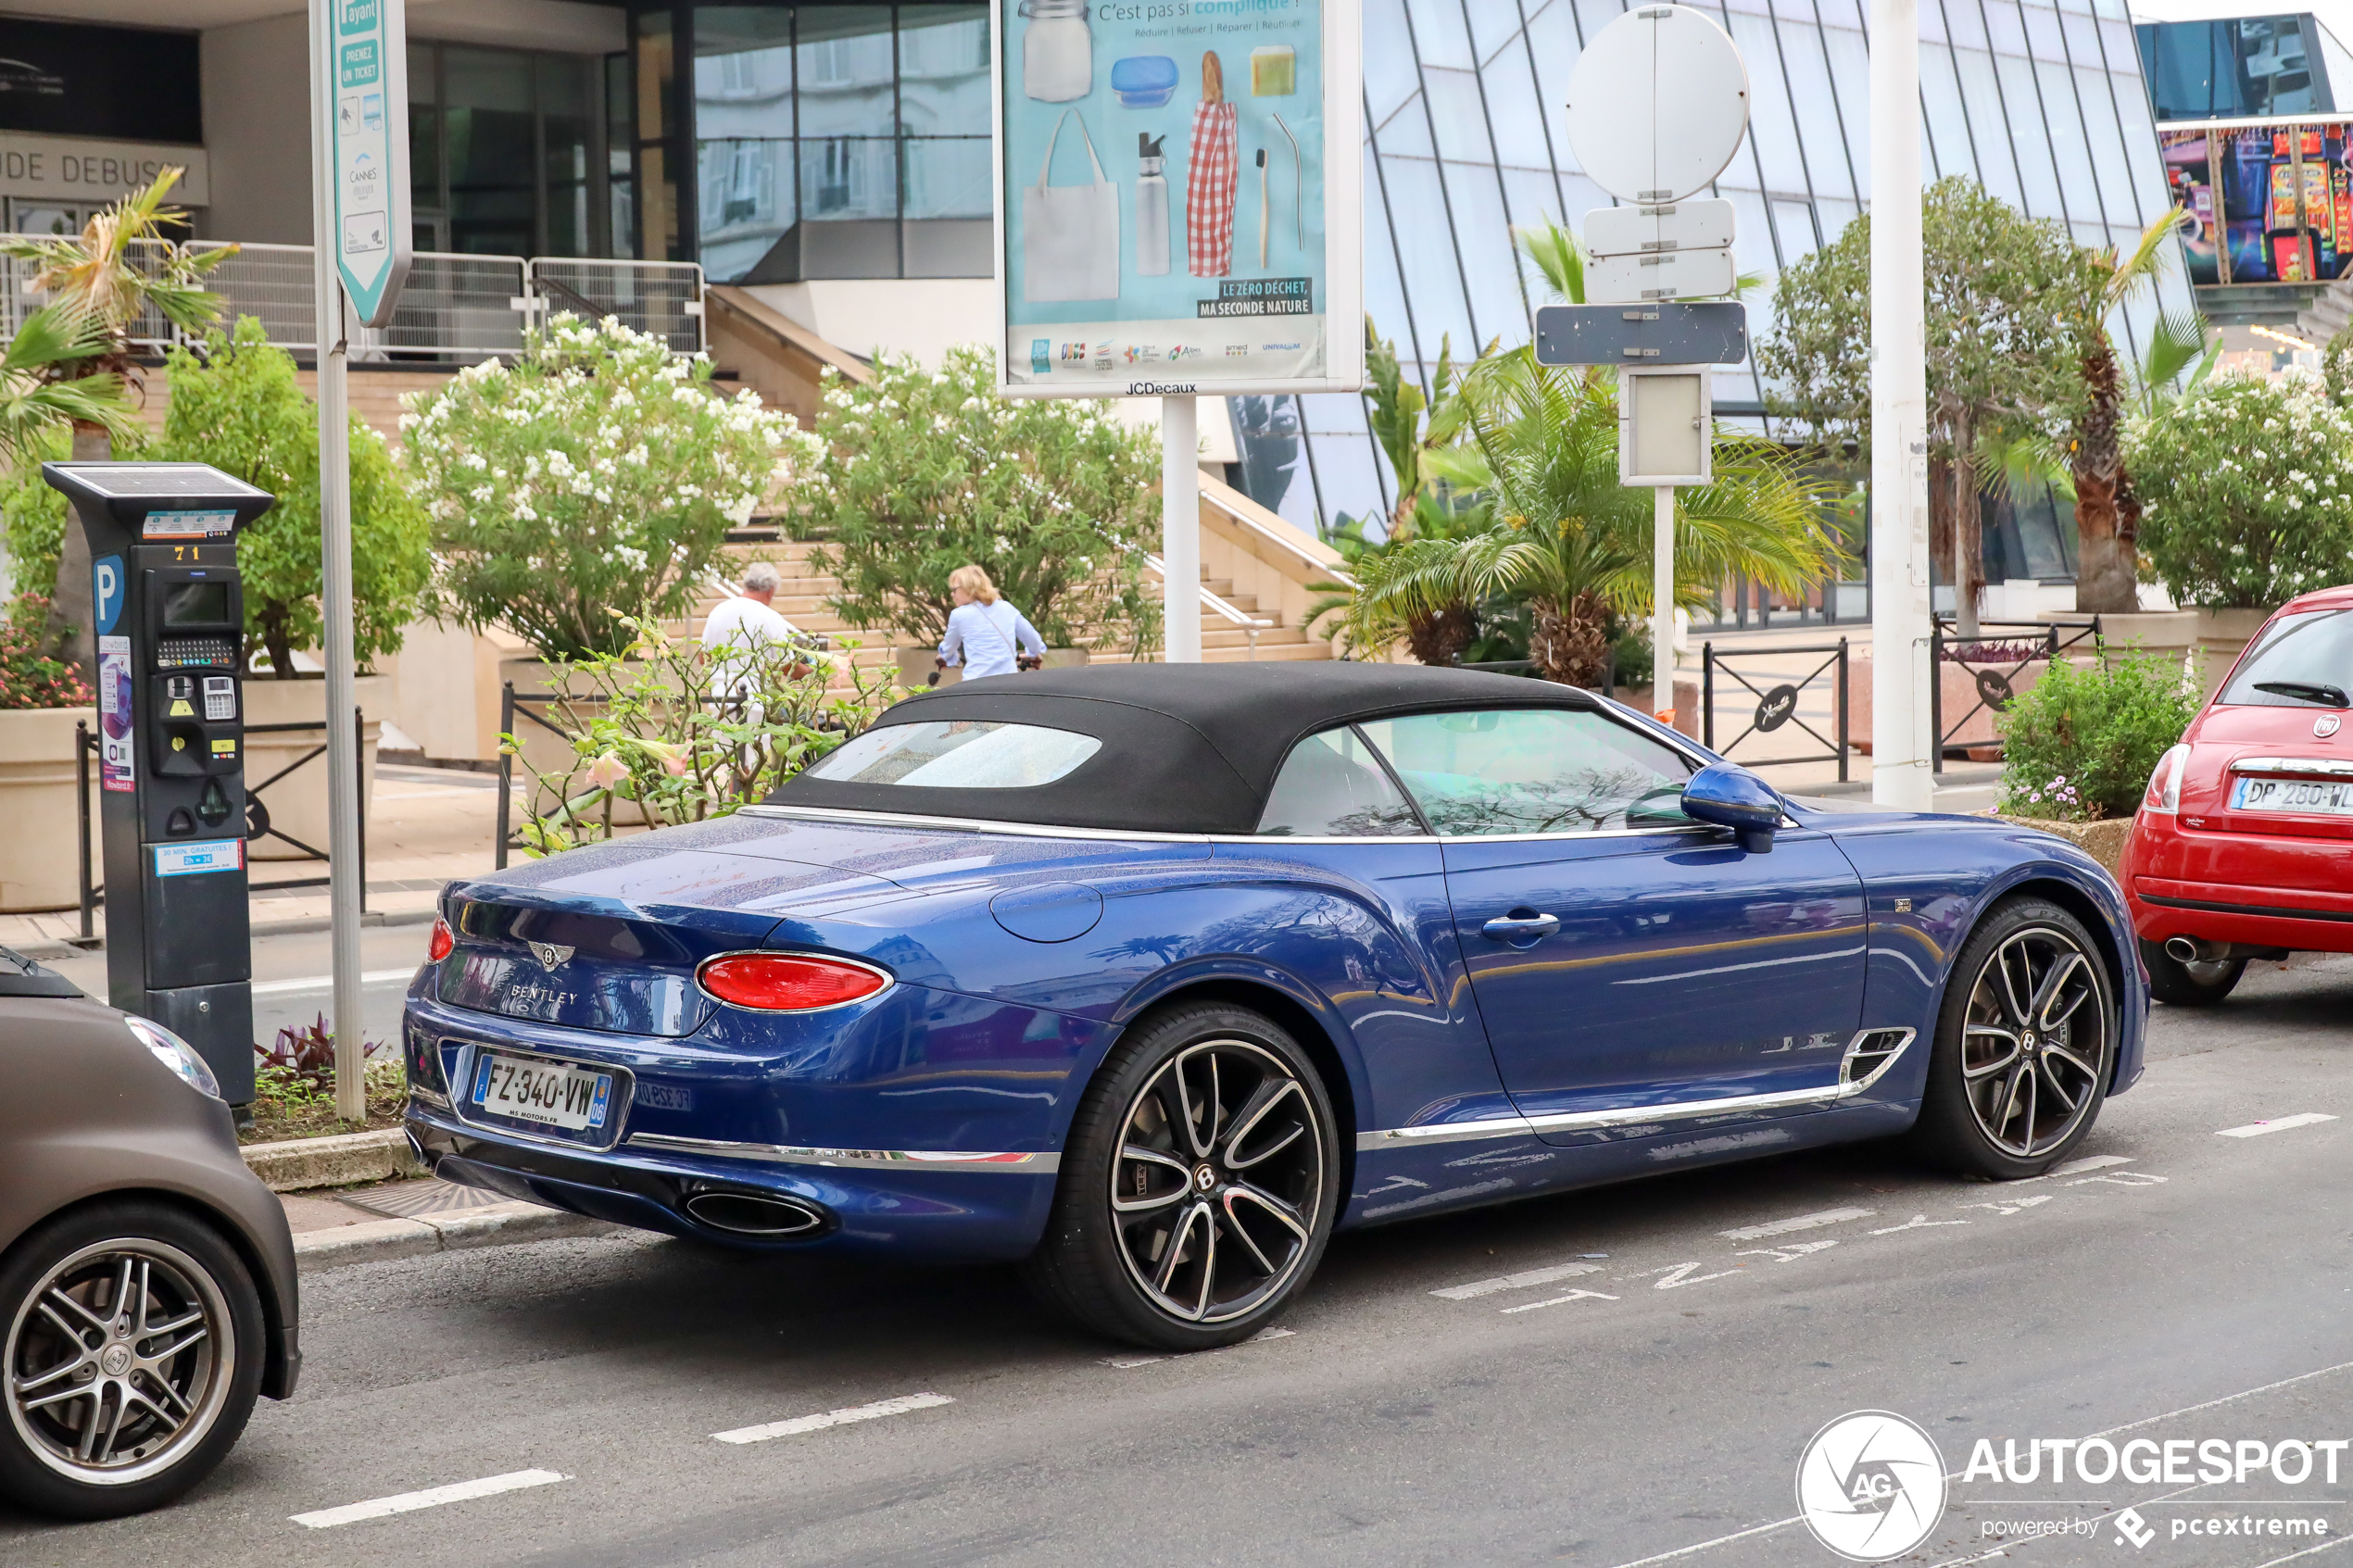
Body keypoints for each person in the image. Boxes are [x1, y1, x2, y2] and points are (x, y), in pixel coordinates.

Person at [700, 561, 810, 698]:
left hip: (719, 696)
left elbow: (704, 658)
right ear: (770, 592)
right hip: (755, 697)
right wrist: (809, 671)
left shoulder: (718, 611)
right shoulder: (771, 618)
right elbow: (786, 666)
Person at [937, 564, 1046, 682]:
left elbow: (949, 649)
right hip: (1009, 685)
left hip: (976, 685)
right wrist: (1033, 653)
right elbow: (1033, 640)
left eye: (954, 590)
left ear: (968, 587)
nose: (952, 594)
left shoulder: (958, 615)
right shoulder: (1007, 608)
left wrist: (944, 655)